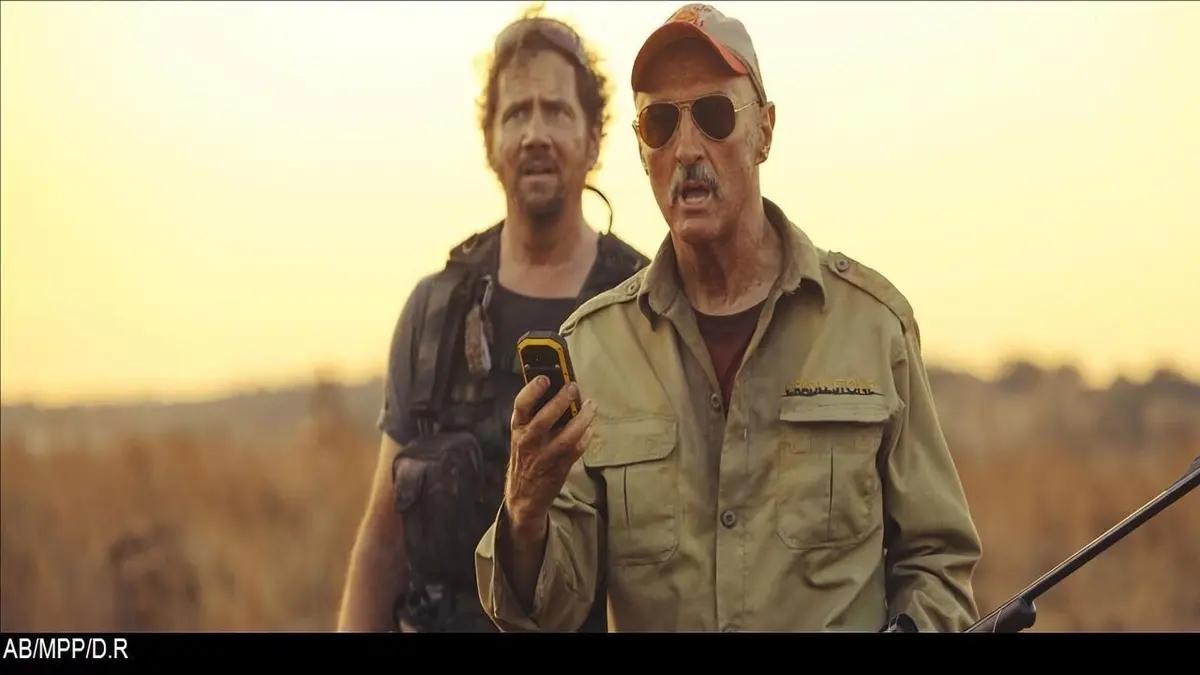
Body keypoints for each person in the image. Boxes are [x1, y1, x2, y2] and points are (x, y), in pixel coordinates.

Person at [474, 3, 983, 633]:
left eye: (714, 116)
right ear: (642, 150)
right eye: (660, 123)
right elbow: (551, 610)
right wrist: (524, 511)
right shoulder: (595, 348)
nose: (686, 149)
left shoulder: (872, 327)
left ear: (764, 131)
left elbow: (937, 563)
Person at [336, 8, 648, 633]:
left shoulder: (644, 306)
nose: (535, 133)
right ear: (490, 144)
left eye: (556, 111)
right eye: (516, 113)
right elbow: (383, 540)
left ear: (593, 140)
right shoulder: (435, 314)